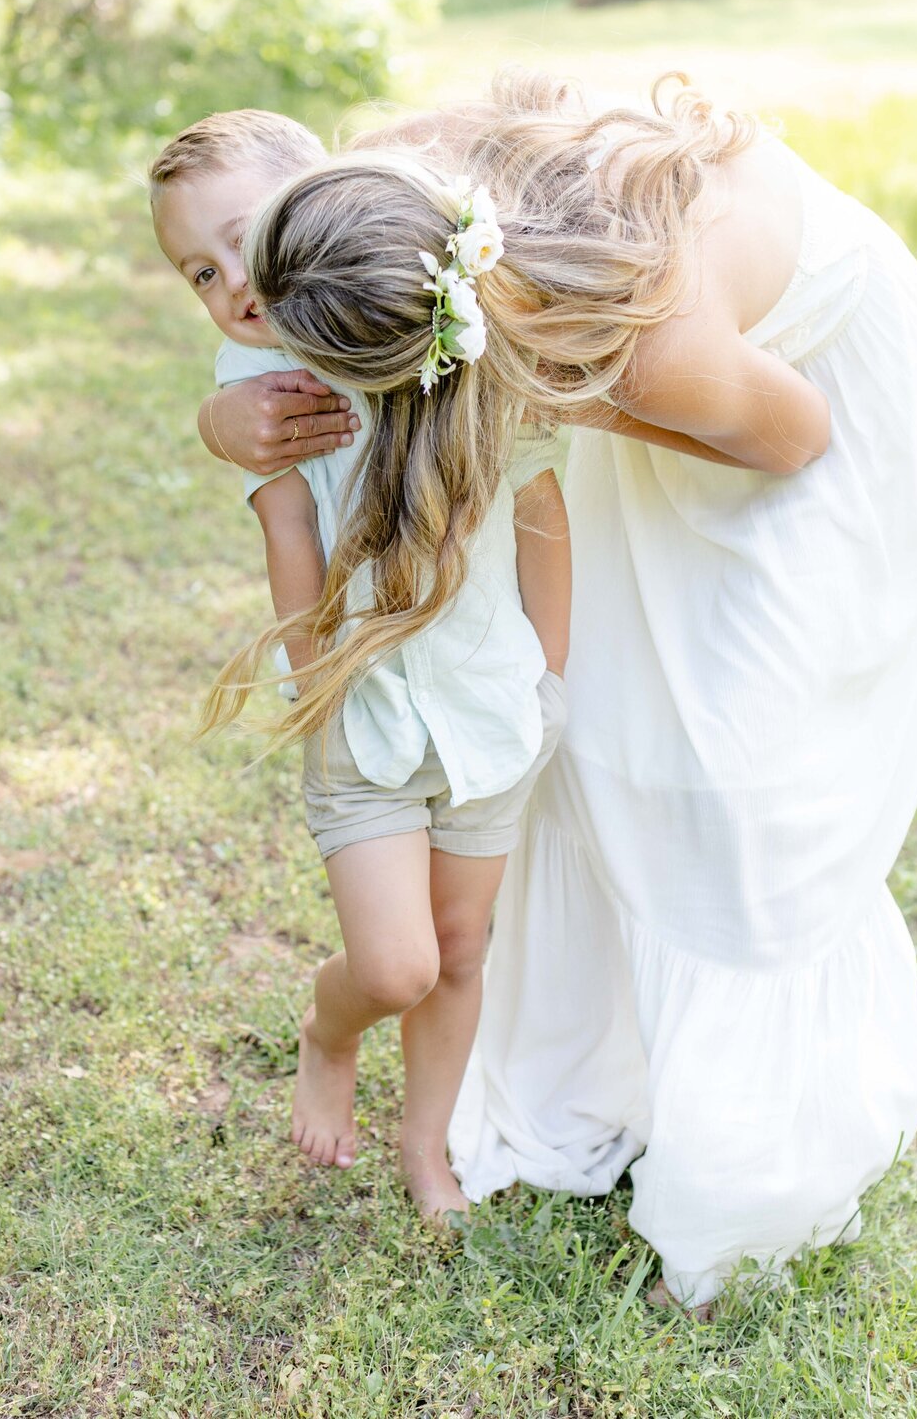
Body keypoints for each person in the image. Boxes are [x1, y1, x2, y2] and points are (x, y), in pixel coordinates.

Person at [201, 72, 917, 1308]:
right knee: (610, 731)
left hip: (801, 402)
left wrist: (559, 394)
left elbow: (792, 436)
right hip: (592, 348)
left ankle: (753, 1177)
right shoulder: (393, 211)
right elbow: (280, 372)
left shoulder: (632, 358)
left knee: (729, 780)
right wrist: (220, 417)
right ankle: (610, 1075)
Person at [149, 113, 571, 1218]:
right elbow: (288, 533)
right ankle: (326, 1030)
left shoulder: (433, 322)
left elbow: (539, 503)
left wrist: (549, 673)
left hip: (491, 702)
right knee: (396, 967)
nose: (234, 283)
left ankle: (426, 1145)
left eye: (245, 240)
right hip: (364, 709)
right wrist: (314, 676)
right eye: (200, 270)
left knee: (462, 944)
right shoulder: (259, 387)